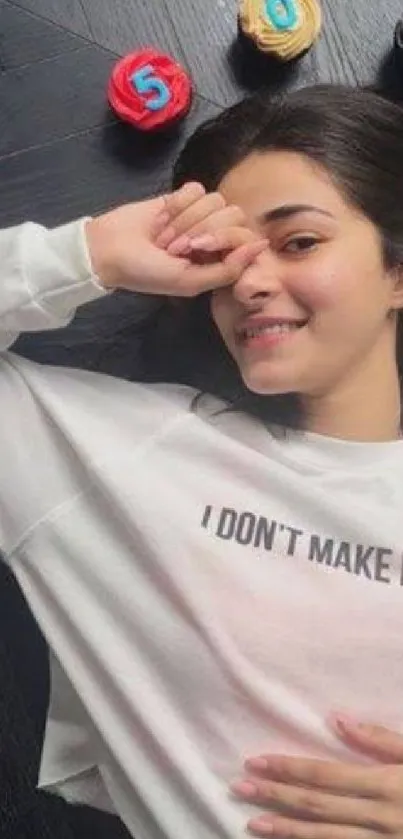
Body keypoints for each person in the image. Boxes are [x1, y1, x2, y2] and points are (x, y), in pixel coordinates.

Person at [1, 84, 403, 839]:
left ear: (397, 272)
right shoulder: (118, 457)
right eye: (223, 257)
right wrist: (87, 254)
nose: (247, 282)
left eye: (298, 242)